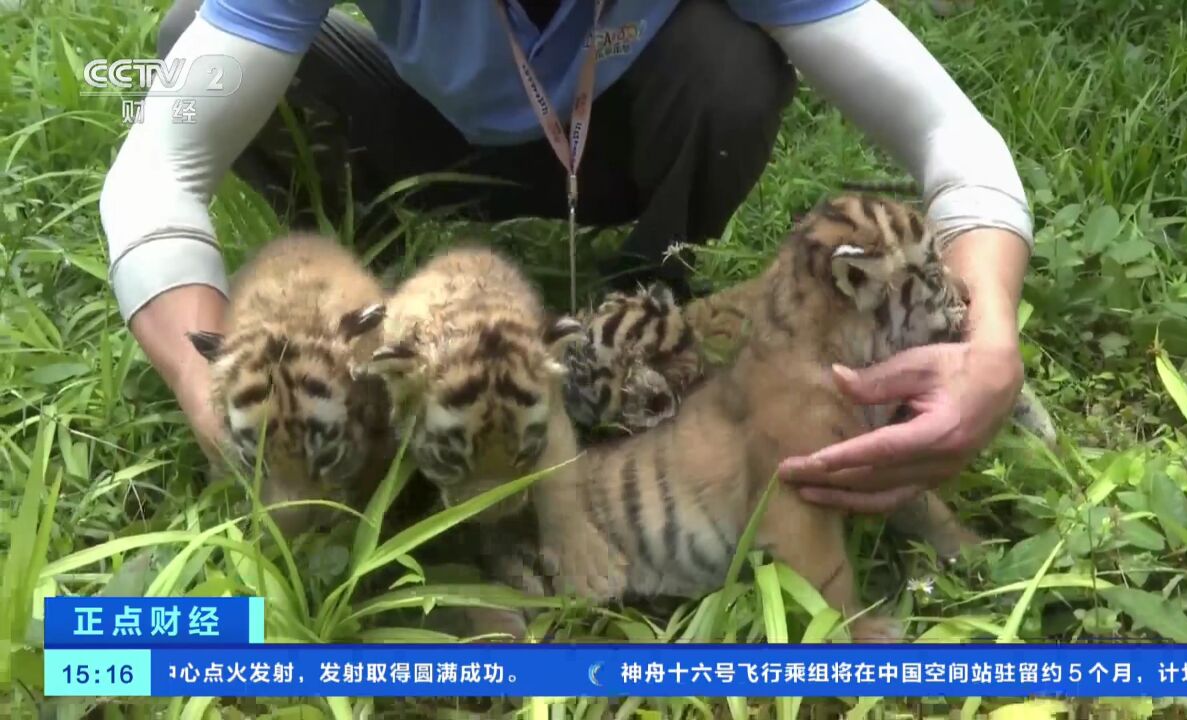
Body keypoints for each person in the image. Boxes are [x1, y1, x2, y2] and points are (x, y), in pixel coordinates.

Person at [98, 0, 1032, 515]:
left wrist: (987, 337)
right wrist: (210, 388)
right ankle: (368, 295)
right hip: (421, 127)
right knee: (195, 36)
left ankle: (649, 280)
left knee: (730, 68)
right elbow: (159, 168)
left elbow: (949, 131)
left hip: (615, 142)